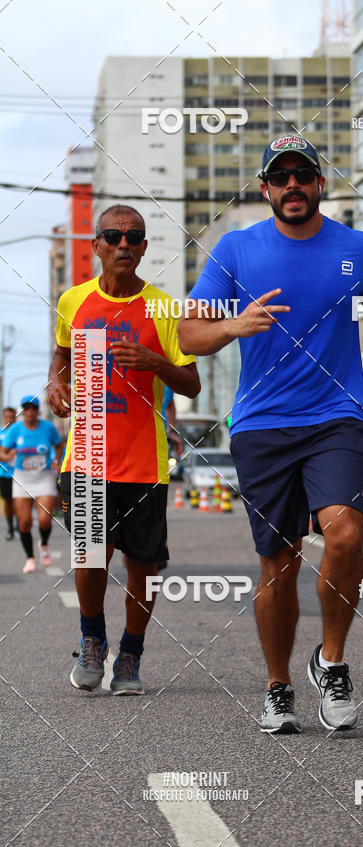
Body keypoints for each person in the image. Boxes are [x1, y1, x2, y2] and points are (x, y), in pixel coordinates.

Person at [179, 135, 363, 733]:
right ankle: (278, 685)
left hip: (335, 418)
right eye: (279, 177)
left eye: (302, 176)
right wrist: (235, 324)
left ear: (319, 185)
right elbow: (188, 337)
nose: (291, 186)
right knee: (278, 562)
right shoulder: (235, 249)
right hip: (260, 425)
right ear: (264, 189)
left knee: (346, 534)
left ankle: (331, 661)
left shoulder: (357, 248)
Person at [48, 204, 200, 696]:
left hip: (144, 461)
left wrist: (155, 361)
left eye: (134, 238)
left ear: (144, 248)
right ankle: (93, 640)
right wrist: (56, 385)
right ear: (96, 245)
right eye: (112, 236)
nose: (123, 245)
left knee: (144, 564)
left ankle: (130, 655)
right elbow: (61, 354)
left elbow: (192, 383)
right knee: (91, 555)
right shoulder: (73, 301)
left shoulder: (163, 309)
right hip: (88, 455)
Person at [0, 397, 62, 572]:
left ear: (37, 410)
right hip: (22, 478)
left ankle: (44, 543)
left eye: (33, 408)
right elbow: (2, 453)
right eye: (26, 408)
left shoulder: (48, 428)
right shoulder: (15, 430)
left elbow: (59, 445)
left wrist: (56, 460)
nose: (30, 412)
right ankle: (30, 558)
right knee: (24, 522)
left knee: (44, 520)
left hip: (44, 477)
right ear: (23, 411)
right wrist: (8, 456)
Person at [0, 406, 17, 540]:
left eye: (12, 417)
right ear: (3, 418)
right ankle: (11, 527)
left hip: (21, 473)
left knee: (20, 500)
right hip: (4, 474)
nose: (10, 420)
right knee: (8, 501)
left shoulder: (21, 432)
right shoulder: (1, 433)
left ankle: (21, 524)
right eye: (7, 417)